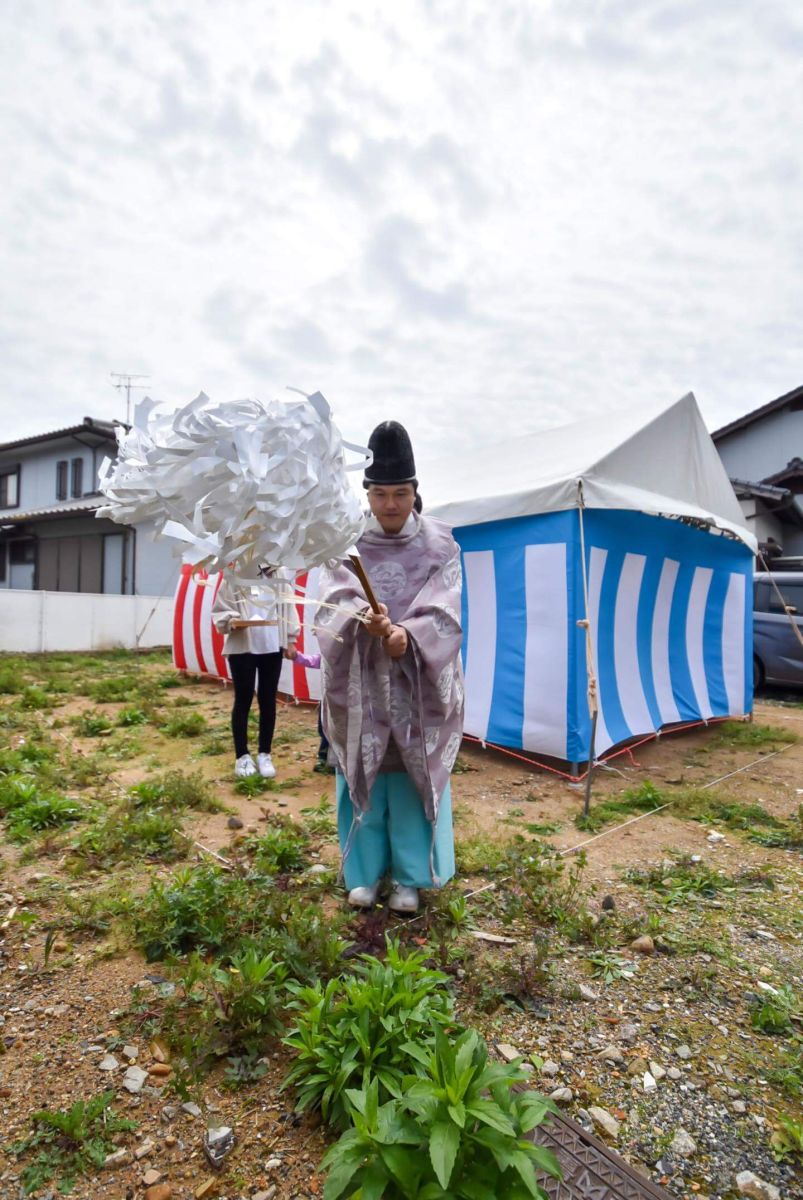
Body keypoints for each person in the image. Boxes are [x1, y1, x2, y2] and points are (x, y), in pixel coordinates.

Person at [316, 420, 464, 914]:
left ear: (415, 492)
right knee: (363, 769)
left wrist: (406, 636)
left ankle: (409, 877)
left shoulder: (442, 545)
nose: (391, 505)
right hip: (360, 679)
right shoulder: (345, 542)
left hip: (415, 684)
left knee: (409, 777)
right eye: (381, 494)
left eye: (401, 493)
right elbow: (333, 597)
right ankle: (362, 873)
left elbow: (446, 607)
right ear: (369, 494)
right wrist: (364, 620)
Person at [212, 570, 298, 779]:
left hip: (272, 646)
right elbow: (221, 609)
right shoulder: (234, 575)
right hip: (242, 646)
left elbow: (288, 608)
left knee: (268, 700)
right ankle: (241, 755)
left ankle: (264, 753)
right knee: (243, 699)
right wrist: (231, 621)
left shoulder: (280, 576)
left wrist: (291, 639)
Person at [283, 646, 332, 772]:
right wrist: (296, 656)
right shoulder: (328, 655)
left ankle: (336, 761)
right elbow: (313, 660)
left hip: (347, 703)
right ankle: (323, 757)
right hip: (328, 701)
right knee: (324, 729)